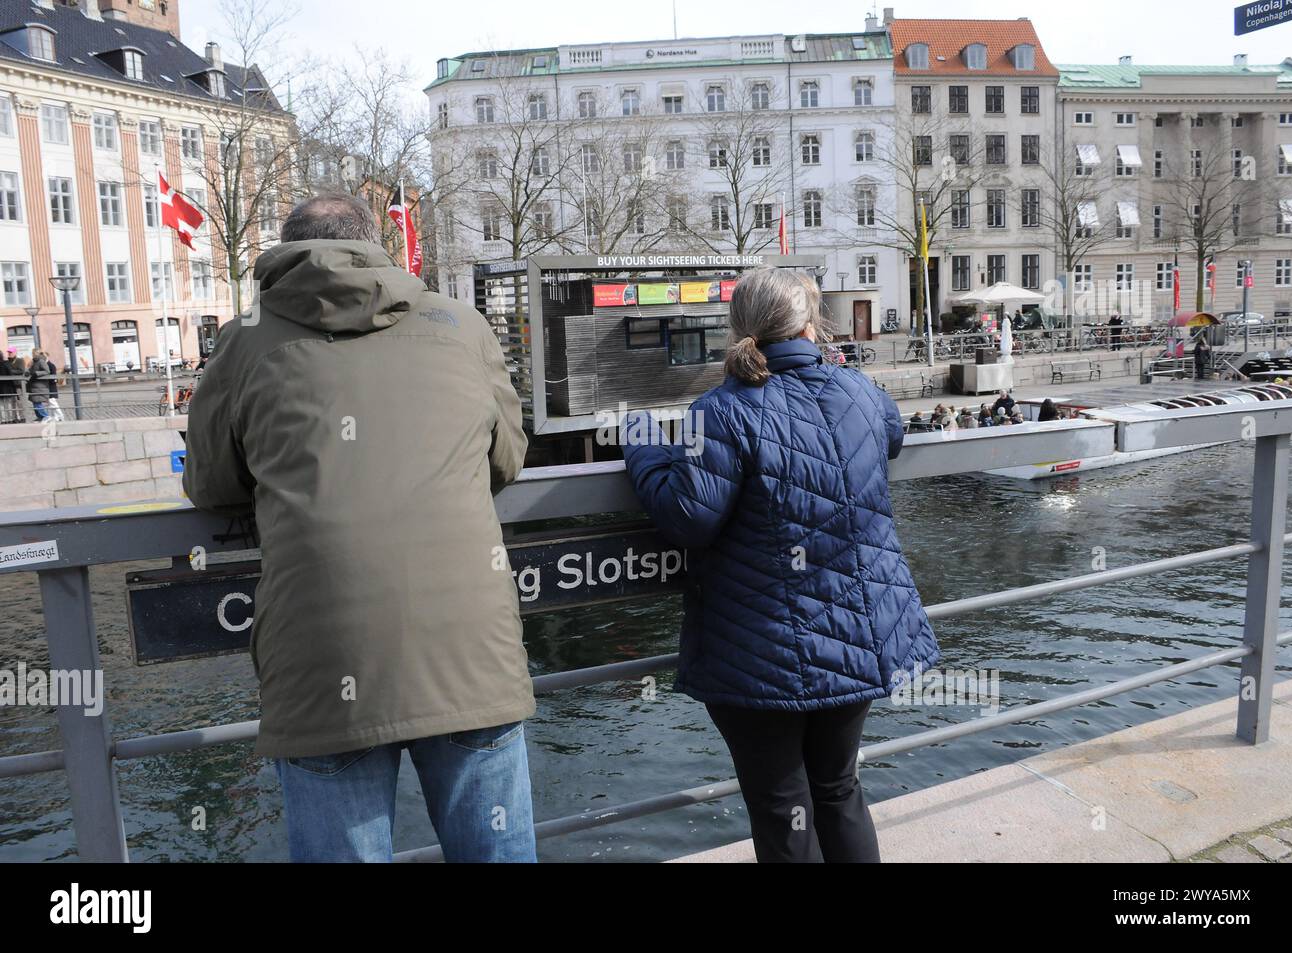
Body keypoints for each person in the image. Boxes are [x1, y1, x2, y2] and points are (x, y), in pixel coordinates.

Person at [182, 194, 535, 863]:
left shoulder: (244, 338)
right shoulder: (461, 324)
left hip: (322, 655)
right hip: (468, 648)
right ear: (379, 246)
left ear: (282, 253)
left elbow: (211, 483)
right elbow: (507, 457)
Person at [622, 267, 940, 864]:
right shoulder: (860, 392)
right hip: (858, 635)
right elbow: (892, 437)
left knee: (780, 803)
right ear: (808, 323)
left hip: (758, 650)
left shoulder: (721, 411)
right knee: (838, 788)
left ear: (738, 327)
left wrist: (642, 443)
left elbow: (690, 517)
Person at [26, 351, 52, 421]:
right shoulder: (34, 362)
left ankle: (46, 416)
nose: (33, 355)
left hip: (39, 386)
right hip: (34, 386)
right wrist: (27, 372)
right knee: (35, 403)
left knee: (37, 403)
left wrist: (36, 373)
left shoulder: (41, 361)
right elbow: (30, 370)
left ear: (38, 354)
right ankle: (40, 417)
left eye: (34, 353)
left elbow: (47, 371)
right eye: (32, 353)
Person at [0, 349, 18, 424]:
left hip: (1, 388)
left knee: (1, 404)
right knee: (9, 404)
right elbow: (11, 374)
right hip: (8, 387)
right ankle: (11, 419)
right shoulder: (6, 363)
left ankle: (3, 420)